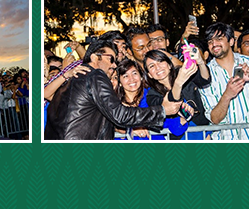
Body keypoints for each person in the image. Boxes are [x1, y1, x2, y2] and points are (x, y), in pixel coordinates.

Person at [44, 39, 182, 140]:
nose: (114, 65)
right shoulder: (96, 75)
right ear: (94, 57)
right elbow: (120, 115)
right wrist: (163, 110)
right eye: (111, 59)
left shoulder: (75, 81)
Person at [199, 23, 249, 140]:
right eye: (210, 41)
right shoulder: (205, 74)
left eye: (219, 39)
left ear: (231, 41)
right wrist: (227, 95)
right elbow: (215, 119)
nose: (214, 44)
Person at [144, 49, 211, 140]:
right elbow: (169, 103)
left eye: (160, 61)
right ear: (150, 75)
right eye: (152, 66)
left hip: (204, 133)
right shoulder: (151, 95)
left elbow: (204, 80)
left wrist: (201, 62)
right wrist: (179, 82)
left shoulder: (182, 73)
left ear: (169, 65)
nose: (158, 67)